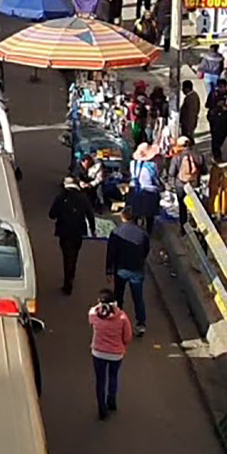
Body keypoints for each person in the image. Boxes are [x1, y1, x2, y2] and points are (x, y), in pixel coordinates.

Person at [88, 288, 135, 420]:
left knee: (100, 381)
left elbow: (92, 317)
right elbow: (127, 337)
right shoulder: (122, 317)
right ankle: (112, 401)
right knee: (113, 377)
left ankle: (101, 409)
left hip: (98, 353)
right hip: (116, 354)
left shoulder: (93, 314)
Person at [50, 176, 97, 294]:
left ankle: (68, 281)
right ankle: (71, 274)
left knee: (66, 255)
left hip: (64, 230)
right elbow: (90, 215)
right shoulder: (83, 197)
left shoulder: (61, 197)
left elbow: (52, 214)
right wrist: (93, 229)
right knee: (74, 253)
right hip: (78, 230)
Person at [105, 213, 150, 335]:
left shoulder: (117, 232)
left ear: (123, 217)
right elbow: (146, 249)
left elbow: (111, 252)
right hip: (137, 268)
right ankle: (141, 323)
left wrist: (109, 270)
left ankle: (117, 320)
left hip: (121, 269)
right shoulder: (142, 232)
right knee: (138, 297)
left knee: (118, 295)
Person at [126, 142, 162, 236]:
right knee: (149, 216)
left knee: (135, 213)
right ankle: (148, 233)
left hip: (134, 190)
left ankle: (134, 231)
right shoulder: (151, 167)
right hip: (149, 193)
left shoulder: (132, 164)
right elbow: (154, 179)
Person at [206, 80, 227, 162]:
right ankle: (216, 154)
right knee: (215, 136)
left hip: (224, 117)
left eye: (223, 87)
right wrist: (216, 105)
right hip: (214, 117)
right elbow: (207, 104)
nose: (222, 89)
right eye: (220, 87)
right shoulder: (213, 94)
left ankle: (217, 148)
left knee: (223, 134)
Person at [177, 79, 201, 144]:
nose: (182, 90)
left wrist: (189, 126)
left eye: (183, 88)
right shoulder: (191, 97)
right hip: (187, 122)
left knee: (188, 139)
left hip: (188, 123)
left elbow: (191, 113)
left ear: (187, 89)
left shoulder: (191, 98)